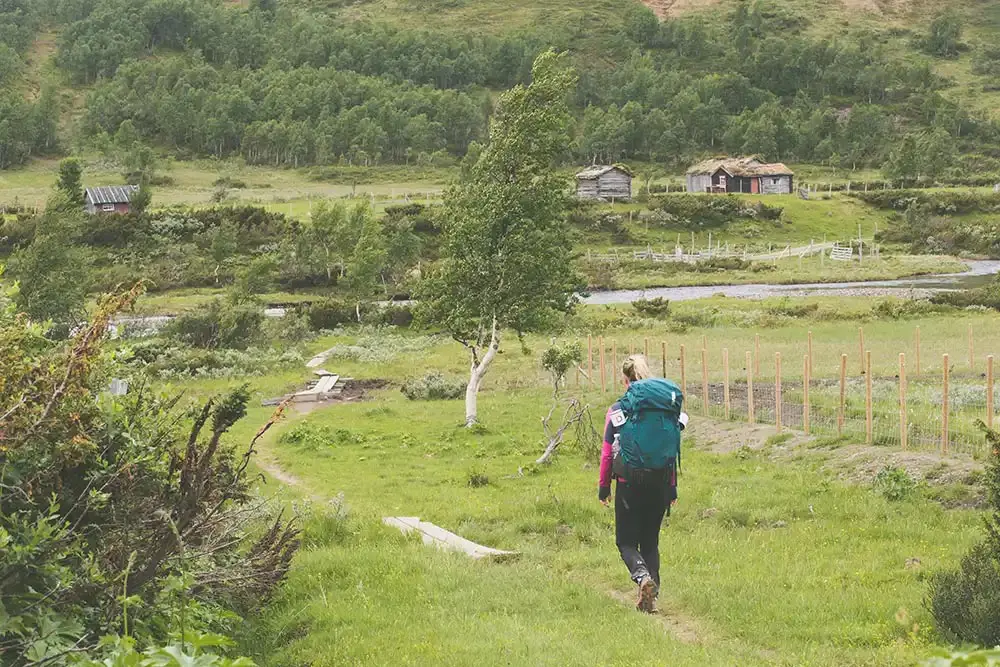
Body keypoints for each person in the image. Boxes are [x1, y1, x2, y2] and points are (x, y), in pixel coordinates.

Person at [598, 354, 687, 613]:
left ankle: (642, 577)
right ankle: (652, 596)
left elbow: (607, 452)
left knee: (626, 542)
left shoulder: (618, 409)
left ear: (625, 380)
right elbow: (670, 449)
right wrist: (672, 488)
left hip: (629, 482)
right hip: (661, 482)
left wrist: (604, 487)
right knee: (650, 542)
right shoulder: (665, 409)